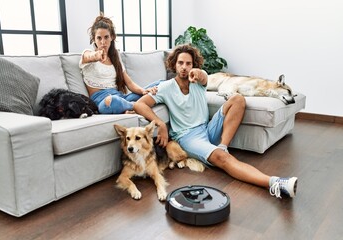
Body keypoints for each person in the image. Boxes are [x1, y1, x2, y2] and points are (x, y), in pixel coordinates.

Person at [133, 44, 298, 198]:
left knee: (238, 99)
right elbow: (140, 104)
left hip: (207, 128)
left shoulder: (198, 80)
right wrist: (160, 123)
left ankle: (222, 146)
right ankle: (275, 183)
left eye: (188, 63)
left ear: (194, 65)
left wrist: (198, 73)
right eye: (180, 63)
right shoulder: (165, 87)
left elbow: (203, 76)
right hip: (188, 137)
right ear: (174, 65)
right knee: (224, 160)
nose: (184, 67)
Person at [79, 13, 159, 114]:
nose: (103, 42)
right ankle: (137, 106)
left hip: (121, 97)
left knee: (159, 85)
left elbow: (129, 83)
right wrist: (97, 55)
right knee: (113, 101)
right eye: (99, 38)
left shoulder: (115, 57)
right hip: (104, 101)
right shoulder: (87, 55)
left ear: (112, 37)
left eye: (106, 37)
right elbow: (90, 56)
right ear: (94, 39)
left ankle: (128, 106)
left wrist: (144, 91)